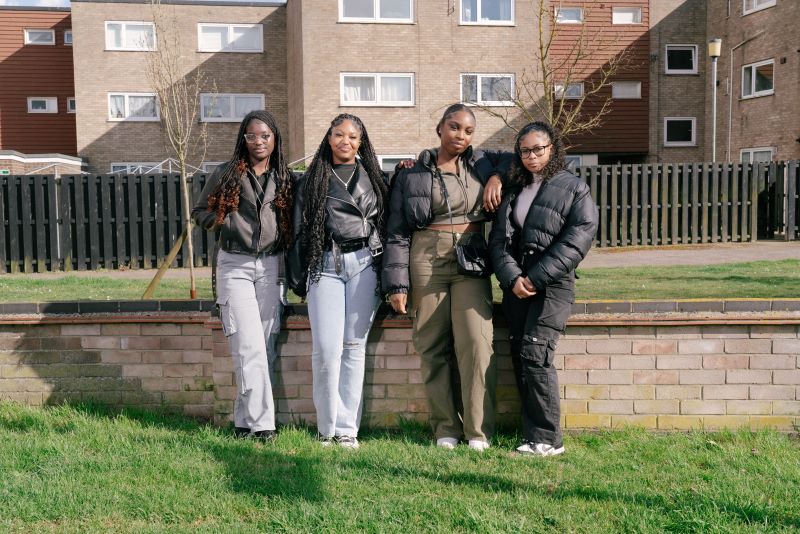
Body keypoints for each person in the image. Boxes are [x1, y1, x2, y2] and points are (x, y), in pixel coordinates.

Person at [382, 103, 511, 451]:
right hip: (426, 257)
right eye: (455, 127)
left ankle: (478, 432)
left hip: (470, 257)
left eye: (469, 131)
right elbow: (396, 232)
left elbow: (516, 158)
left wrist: (497, 177)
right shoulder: (411, 172)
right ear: (440, 127)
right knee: (432, 345)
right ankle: (445, 430)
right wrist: (396, 284)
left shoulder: (483, 164)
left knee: (476, 343)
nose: (461, 136)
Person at [488, 121, 598, 457]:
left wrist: (535, 278)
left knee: (537, 354)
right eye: (525, 150)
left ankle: (549, 440)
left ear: (552, 149)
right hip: (517, 286)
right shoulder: (515, 188)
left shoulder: (573, 188)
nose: (532, 156)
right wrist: (513, 279)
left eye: (539, 149)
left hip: (551, 287)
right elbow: (499, 241)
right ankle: (531, 435)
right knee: (521, 355)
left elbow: (577, 239)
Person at [192, 109, 293, 442]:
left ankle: (242, 421)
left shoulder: (286, 176)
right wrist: (221, 221)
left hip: (272, 265)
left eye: (265, 135)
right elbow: (200, 211)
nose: (258, 142)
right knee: (247, 345)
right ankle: (264, 426)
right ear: (243, 139)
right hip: (234, 264)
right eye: (252, 136)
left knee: (264, 347)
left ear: (274, 138)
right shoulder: (226, 173)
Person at [288, 113, 388, 449]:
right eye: (339, 134)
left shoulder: (374, 177)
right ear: (328, 138)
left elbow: (386, 224)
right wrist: (299, 277)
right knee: (327, 350)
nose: (346, 141)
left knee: (353, 348)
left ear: (362, 142)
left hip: (365, 263)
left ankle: (347, 429)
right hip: (325, 264)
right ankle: (325, 428)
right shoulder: (312, 179)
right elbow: (300, 232)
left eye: (353, 136)